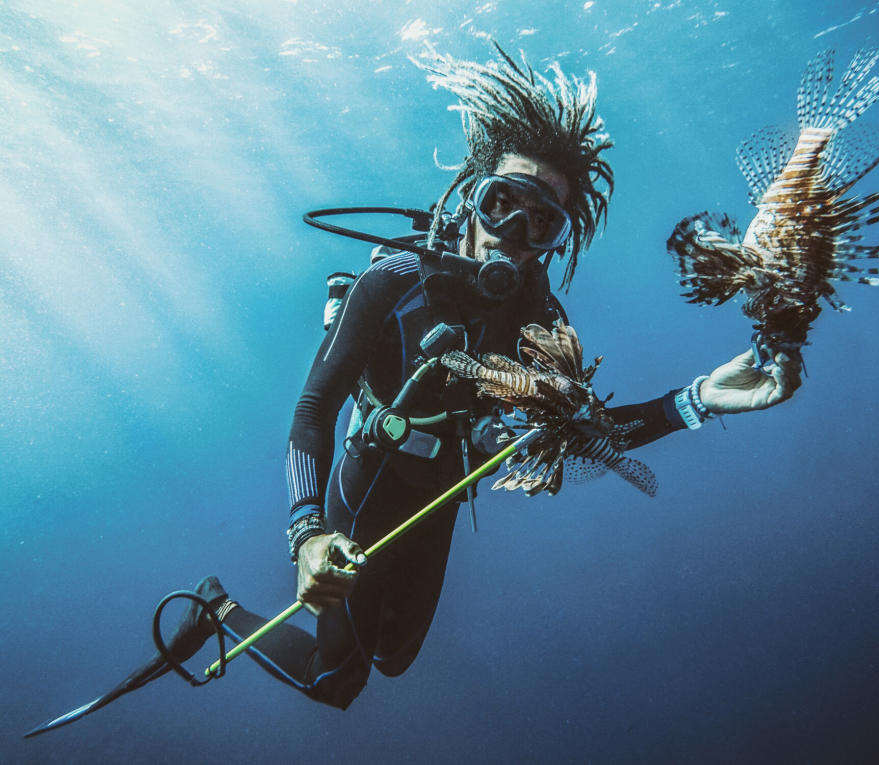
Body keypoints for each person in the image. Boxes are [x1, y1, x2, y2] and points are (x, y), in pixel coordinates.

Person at [26, 46, 802, 736]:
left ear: (556, 239)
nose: (514, 234)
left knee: (393, 661)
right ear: (472, 194)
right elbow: (312, 408)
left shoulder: (541, 319)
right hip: (370, 476)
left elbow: (576, 432)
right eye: (504, 202)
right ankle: (217, 608)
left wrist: (701, 397)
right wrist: (308, 535)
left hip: (442, 490)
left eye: (544, 225)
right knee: (337, 685)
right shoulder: (395, 278)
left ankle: (264, 614)